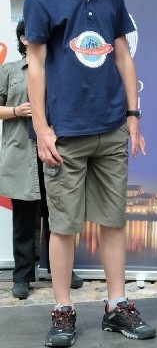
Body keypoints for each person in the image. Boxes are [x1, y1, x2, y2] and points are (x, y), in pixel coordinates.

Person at [23, 0, 155, 346]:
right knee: (63, 227)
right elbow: (35, 67)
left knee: (114, 220)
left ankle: (117, 307)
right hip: (64, 135)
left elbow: (123, 56)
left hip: (111, 127)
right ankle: (62, 310)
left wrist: (133, 115)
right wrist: (41, 127)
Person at [0, 21, 84, 302]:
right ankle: (23, 276)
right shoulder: (10, 71)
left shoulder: (59, 68)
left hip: (57, 150)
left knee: (59, 215)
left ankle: (63, 271)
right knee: (24, 218)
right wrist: (15, 110)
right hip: (22, 154)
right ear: (24, 39)